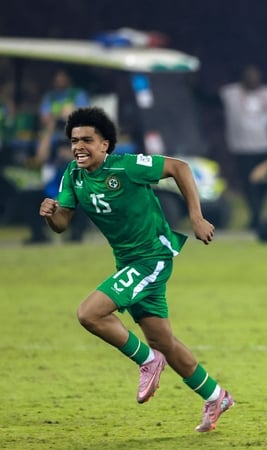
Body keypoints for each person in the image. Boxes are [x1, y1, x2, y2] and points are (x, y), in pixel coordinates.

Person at [39, 106, 234, 432]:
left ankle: (147, 362)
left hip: (152, 257)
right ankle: (215, 396)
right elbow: (62, 224)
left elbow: (180, 167)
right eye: (74, 140)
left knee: (89, 313)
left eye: (88, 139)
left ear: (105, 145)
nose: (79, 147)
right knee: (164, 341)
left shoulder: (127, 167)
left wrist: (196, 217)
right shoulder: (72, 175)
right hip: (128, 262)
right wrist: (50, 214)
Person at [24, 68, 90, 244]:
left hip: (73, 183)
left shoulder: (81, 137)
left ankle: (76, 234)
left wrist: (69, 154)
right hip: (54, 183)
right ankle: (39, 236)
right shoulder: (52, 136)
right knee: (32, 196)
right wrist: (50, 128)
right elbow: (40, 158)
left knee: (80, 196)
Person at [220, 64, 267, 230]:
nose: (251, 79)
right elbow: (211, 101)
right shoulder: (231, 94)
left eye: (254, 76)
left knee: (264, 184)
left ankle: (259, 216)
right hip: (242, 149)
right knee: (248, 185)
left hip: (264, 147)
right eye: (248, 76)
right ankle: (255, 217)